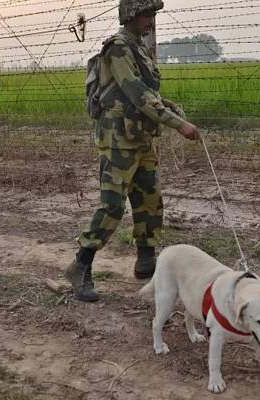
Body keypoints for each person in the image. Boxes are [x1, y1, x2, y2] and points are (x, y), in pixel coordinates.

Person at [65, 0, 201, 302]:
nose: (150, 20)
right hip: (118, 142)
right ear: (130, 15)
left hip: (142, 138)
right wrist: (179, 124)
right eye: (145, 14)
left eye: (152, 15)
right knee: (112, 206)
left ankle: (146, 261)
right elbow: (137, 95)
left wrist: (164, 104)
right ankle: (80, 265)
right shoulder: (117, 48)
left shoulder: (139, 48)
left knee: (149, 201)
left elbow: (143, 91)